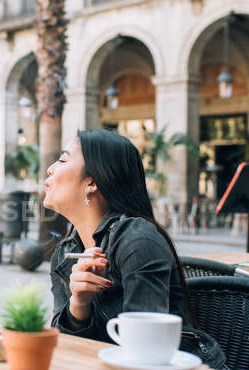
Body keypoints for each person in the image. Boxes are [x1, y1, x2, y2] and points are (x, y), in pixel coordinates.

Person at [45, 130, 225, 367]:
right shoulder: (66, 252)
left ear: (92, 182)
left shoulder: (137, 239)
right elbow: (67, 347)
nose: (50, 168)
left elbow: (147, 351)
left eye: (63, 159)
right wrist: (79, 304)